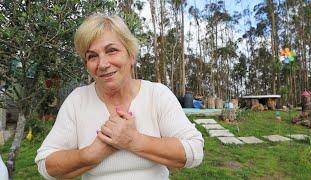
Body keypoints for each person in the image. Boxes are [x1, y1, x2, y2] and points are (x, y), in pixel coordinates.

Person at [35, 13, 204, 180]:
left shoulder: (156, 95)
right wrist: (91, 154)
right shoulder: (77, 101)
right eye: (92, 56)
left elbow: (194, 150)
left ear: (131, 55)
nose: (103, 64)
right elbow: (45, 164)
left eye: (112, 51)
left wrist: (131, 140)